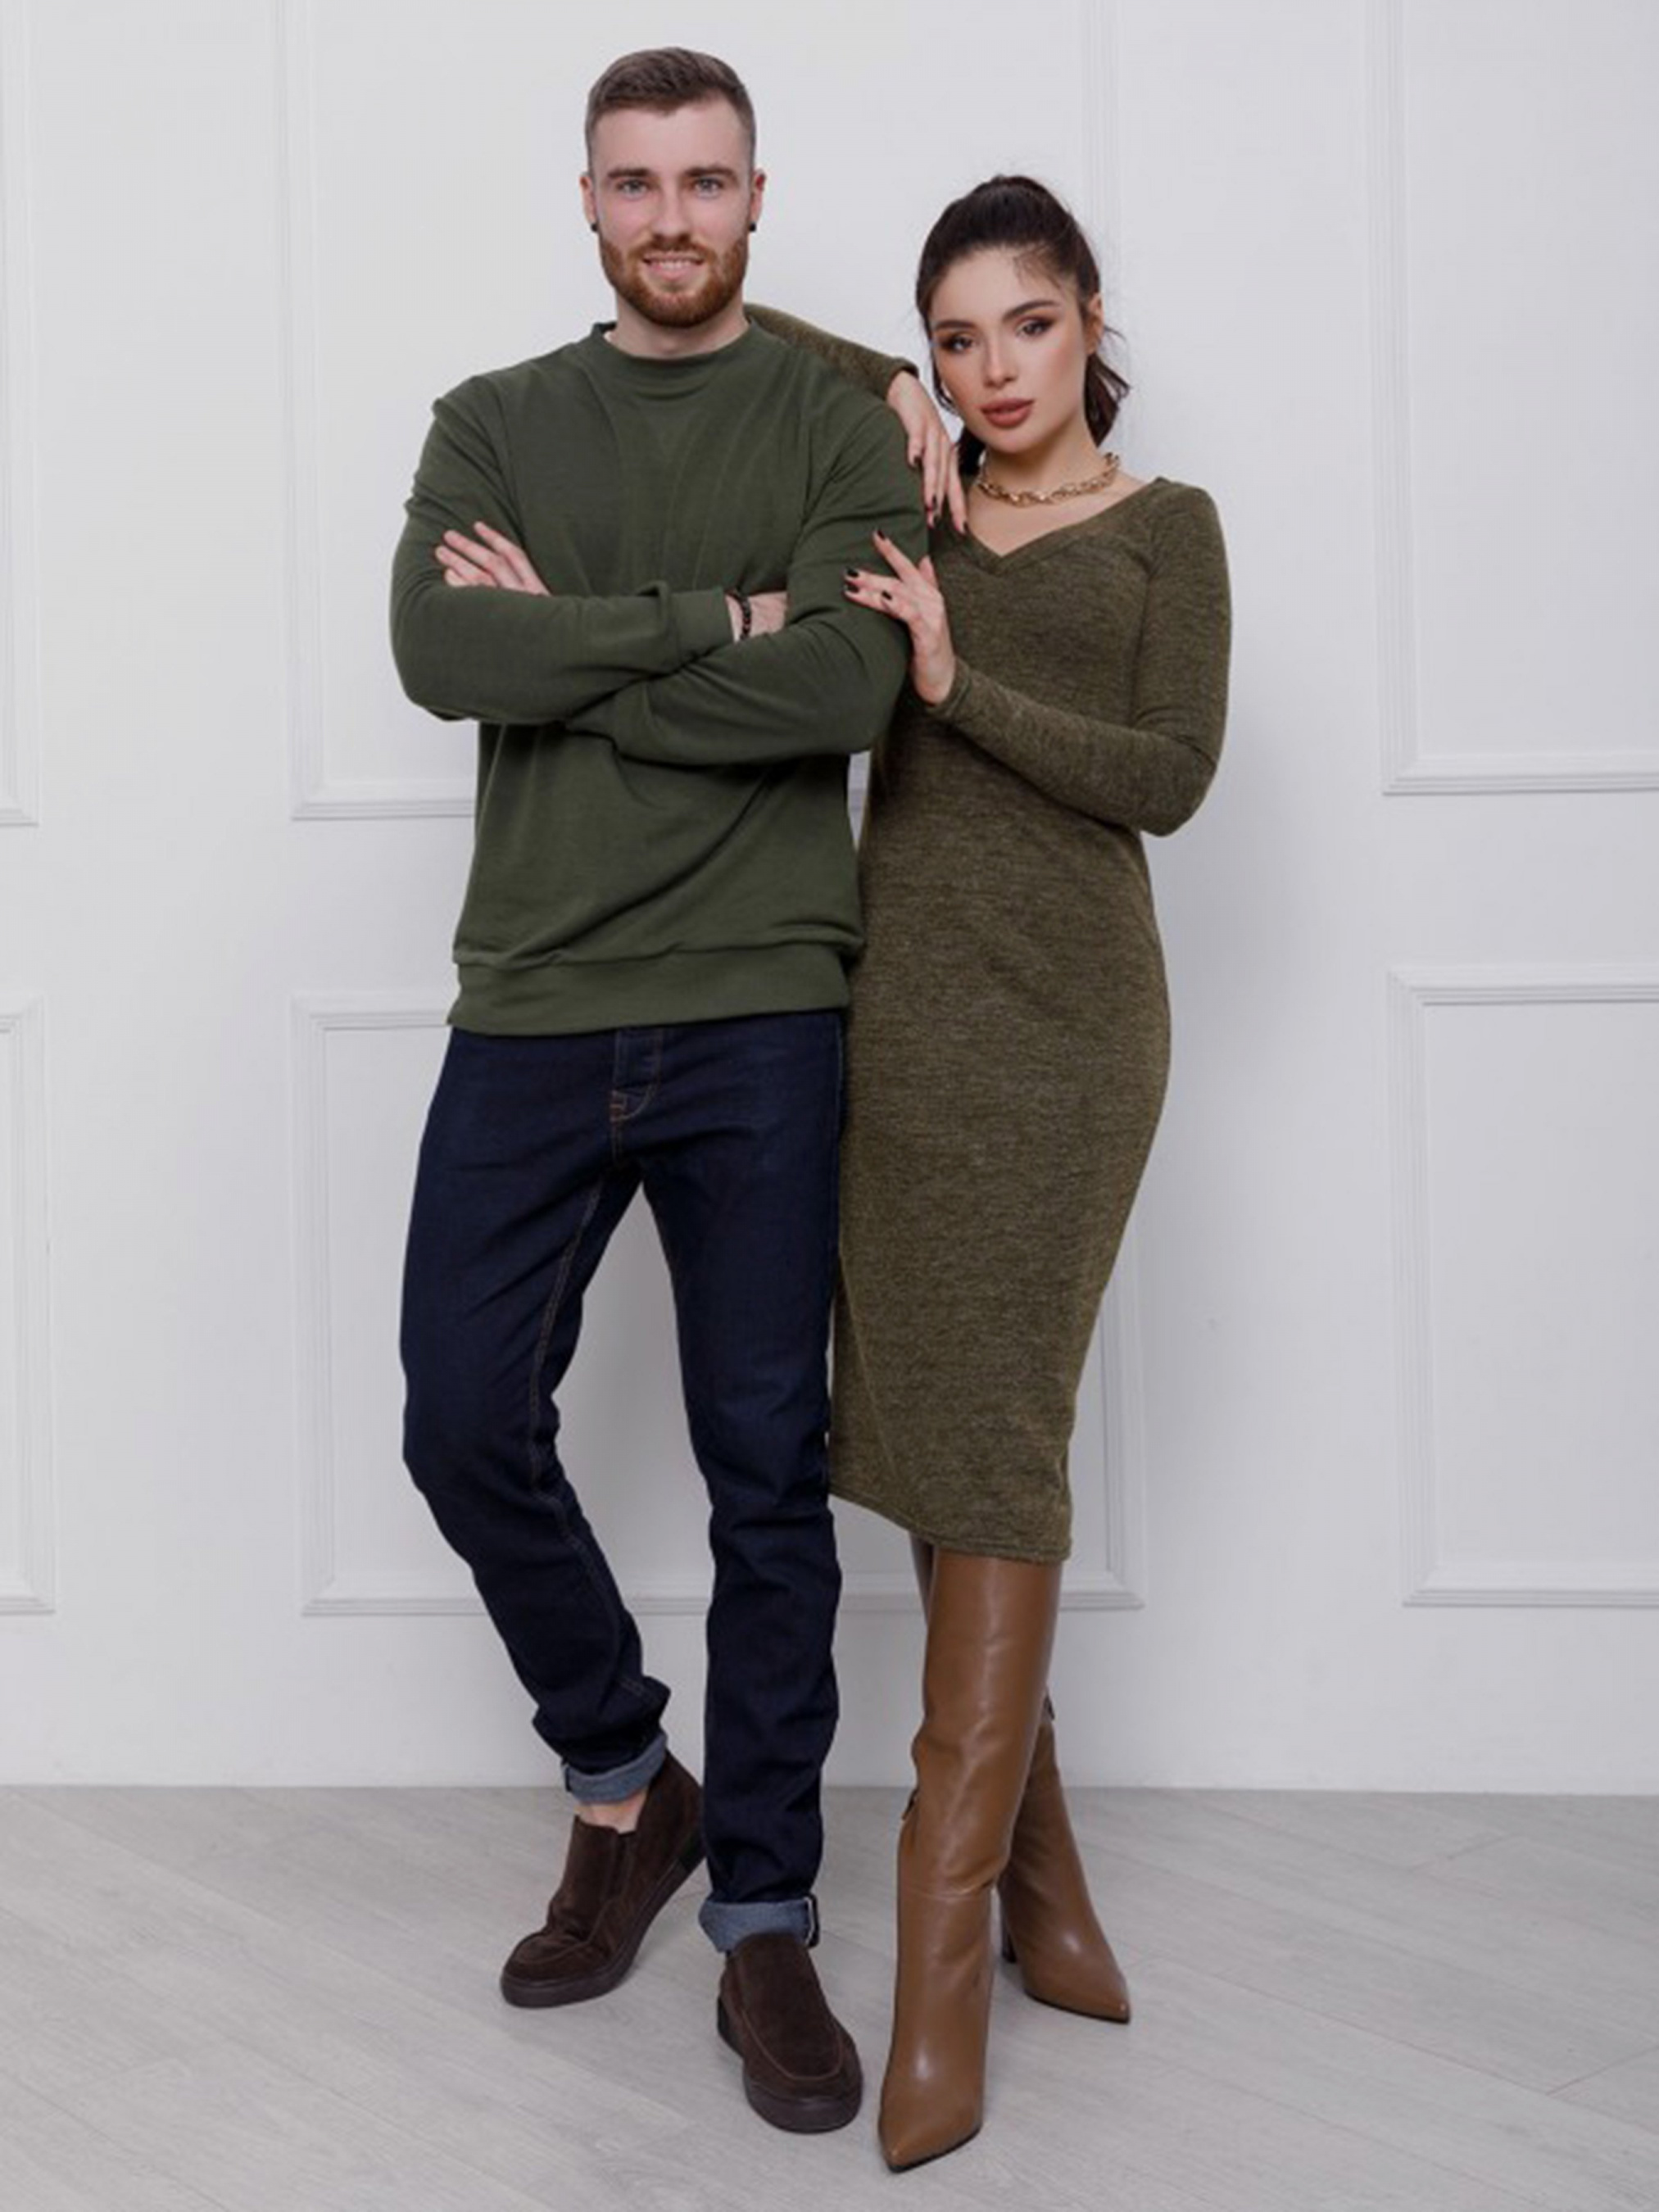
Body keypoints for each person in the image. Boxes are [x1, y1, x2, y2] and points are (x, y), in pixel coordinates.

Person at [388, 48, 928, 2135]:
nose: (671, 216)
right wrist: (719, 619)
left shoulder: (832, 421)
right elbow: (447, 660)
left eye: (706, 180)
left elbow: (849, 686)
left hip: (760, 1006)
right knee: (460, 1417)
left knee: (760, 1469)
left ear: (757, 198)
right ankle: (628, 1778)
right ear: (589, 202)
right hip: (533, 999)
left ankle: (762, 1916)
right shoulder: (490, 420)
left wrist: (588, 656)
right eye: (636, 182)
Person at [772, 176, 1231, 2168]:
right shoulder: (919, 495)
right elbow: (721, 320)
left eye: (1023, 326)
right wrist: (881, 383)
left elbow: (1170, 777)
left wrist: (958, 685)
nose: (991, 369)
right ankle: (1039, 1892)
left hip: (1069, 1038)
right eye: (953, 339)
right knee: (935, 1427)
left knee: (1001, 1436)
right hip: (902, 1025)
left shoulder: (1166, 528)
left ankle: (940, 1950)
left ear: (1089, 320)